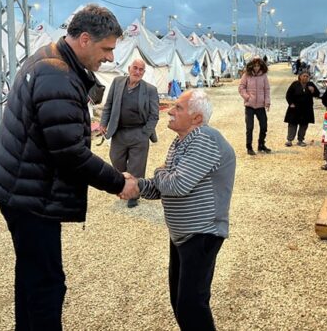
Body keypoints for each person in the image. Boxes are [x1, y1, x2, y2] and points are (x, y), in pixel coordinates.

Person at [0, 4, 139, 330]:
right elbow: (70, 154)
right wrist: (117, 182)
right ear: (84, 39)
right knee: (48, 284)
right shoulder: (57, 76)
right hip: (30, 194)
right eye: (107, 48)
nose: (110, 58)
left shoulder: (49, 56)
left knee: (31, 272)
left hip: (18, 184)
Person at [131, 89, 235, 331]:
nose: (169, 111)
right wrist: (136, 185)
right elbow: (163, 187)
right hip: (183, 236)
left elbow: (176, 184)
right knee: (180, 302)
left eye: (178, 107)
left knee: (192, 305)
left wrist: (159, 172)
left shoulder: (205, 139)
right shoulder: (182, 142)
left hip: (202, 234)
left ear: (197, 118)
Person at [99, 58, 160, 208]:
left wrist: (145, 133)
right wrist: (103, 123)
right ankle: (123, 186)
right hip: (119, 132)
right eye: (135, 68)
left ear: (144, 72)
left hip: (139, 132)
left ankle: (134, 194)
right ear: (129, 68)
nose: (137, 72)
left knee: (137, 166)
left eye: (141, 70)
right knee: (116, 161)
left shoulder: (150, 89)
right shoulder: (117, 82)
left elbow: (154, 115)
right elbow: (109, 105)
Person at [238, 57, 271, 155]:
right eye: (255, 65)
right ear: (251, 66)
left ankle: (261, 144)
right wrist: (247, 97)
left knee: (264, 126)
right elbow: (241, 87)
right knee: (249, 127)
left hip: (260, 105)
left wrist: (267, 102)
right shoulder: (246, 75)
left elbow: (267, 89)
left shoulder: (264, 76)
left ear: (261, 66)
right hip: (250, 105)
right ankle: (249, 147)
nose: (256, 68)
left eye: (258, 66)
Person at [284, 70, 320, 147]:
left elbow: (318, 94)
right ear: (300, 76)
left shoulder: (311, 84)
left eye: (307, 76)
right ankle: (289, 140)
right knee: (292, 124)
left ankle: (300, 140)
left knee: (304, 125)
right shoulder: (295, 84)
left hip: (306, 109)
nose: (305, 77)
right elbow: (288, 95)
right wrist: (291, 103)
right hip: (295, 108)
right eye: (304, 76)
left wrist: (313, 91)